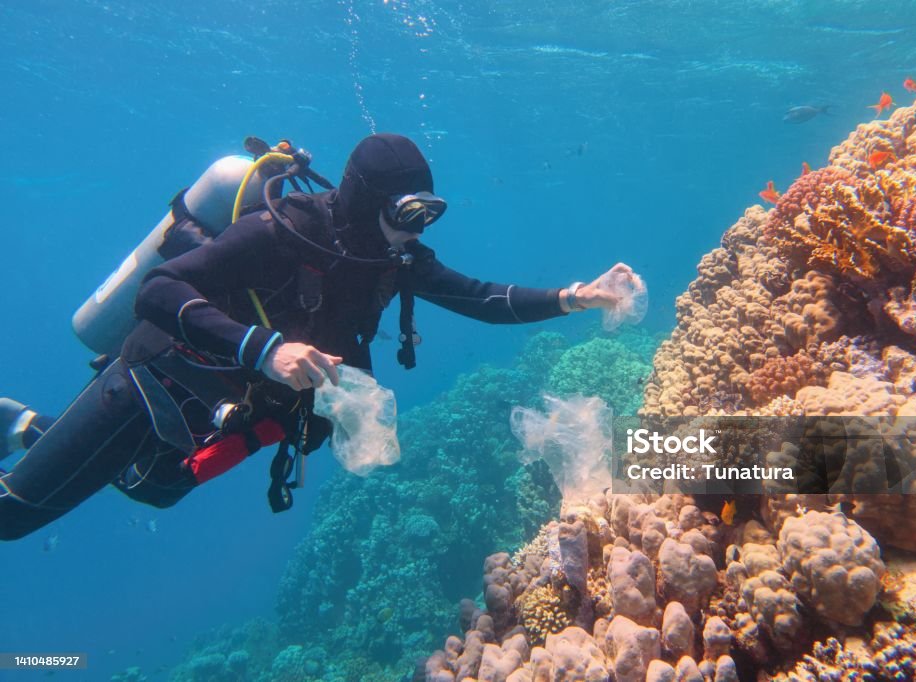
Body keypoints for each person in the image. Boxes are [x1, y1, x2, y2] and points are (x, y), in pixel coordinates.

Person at [0, 133, 639, 541]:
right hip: (155, 381)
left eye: (429, 212)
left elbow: (478, 298)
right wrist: (265, 349)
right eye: (408, 212)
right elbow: (158, 290)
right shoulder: (279, 232)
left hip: (230, 399)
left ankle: (28, 427)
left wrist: (572, 298)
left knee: (158, 487)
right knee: (16, 515)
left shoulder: (394, 256)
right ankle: (30, 433)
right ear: (367, 202)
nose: (418, 229)